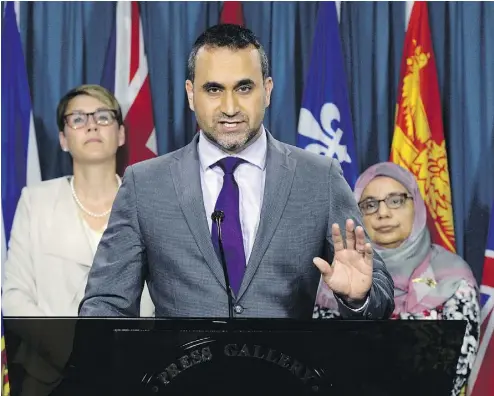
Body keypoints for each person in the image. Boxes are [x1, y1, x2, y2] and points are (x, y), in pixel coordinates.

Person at [79, 24, 394, 319]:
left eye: (244, 88)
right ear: (191, 94)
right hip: (182, 377)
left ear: (267, 91)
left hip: (286, 375)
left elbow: (376, 288)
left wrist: (359, 299)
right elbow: (105, 305)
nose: (230, 107)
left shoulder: (319, 178)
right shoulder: (144, 185)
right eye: (213, 90)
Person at [2, 85, 154, 395]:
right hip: (48, 377)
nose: (92, 125)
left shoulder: (150, 202)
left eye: (103, 116)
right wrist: (73, 353)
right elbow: (15, 299)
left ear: (121, 134)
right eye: (78, 119)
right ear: (63, 138)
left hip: (133, 375)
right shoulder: (36, 201)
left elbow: (161, 298)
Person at [313, 162, 480, 396]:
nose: (383, 213)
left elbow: (456, 372)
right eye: (369, 204)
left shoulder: (453, 277)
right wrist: (353, 301)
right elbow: (320, 367)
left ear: (416, 205)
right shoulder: (336, 278)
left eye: (395, 200)